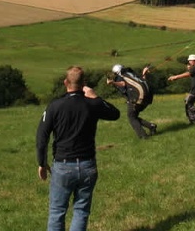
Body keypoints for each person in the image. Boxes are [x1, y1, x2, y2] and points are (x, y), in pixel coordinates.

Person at [36, 66, 120, 231]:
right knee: (81, 211)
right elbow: (115, 114)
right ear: (84, 84)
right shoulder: (92, 105)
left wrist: (42, 162)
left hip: (62, 164)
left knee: (57, 211)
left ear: (65, 82)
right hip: (87, 165)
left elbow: (41, 136)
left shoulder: (55, 106)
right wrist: (96, 98)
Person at [106, 64, 157, 139]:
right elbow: (142, 80)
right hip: (147, 97)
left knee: (131, 117)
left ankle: (143, 135)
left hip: (137, 98)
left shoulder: (122, 76)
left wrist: (112, 82)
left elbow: (122, 84)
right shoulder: (132, 74)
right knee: (134, 116)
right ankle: (151, 126)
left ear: (116, 72)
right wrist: (144, 73)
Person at [167, 53, 195, 124]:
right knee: (187, 102)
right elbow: (190, 73)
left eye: (190, 61)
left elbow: (188, 74)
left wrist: (176, 77)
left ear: (193, 60)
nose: (189, 62)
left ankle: (194, 120)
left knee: (188, 103)